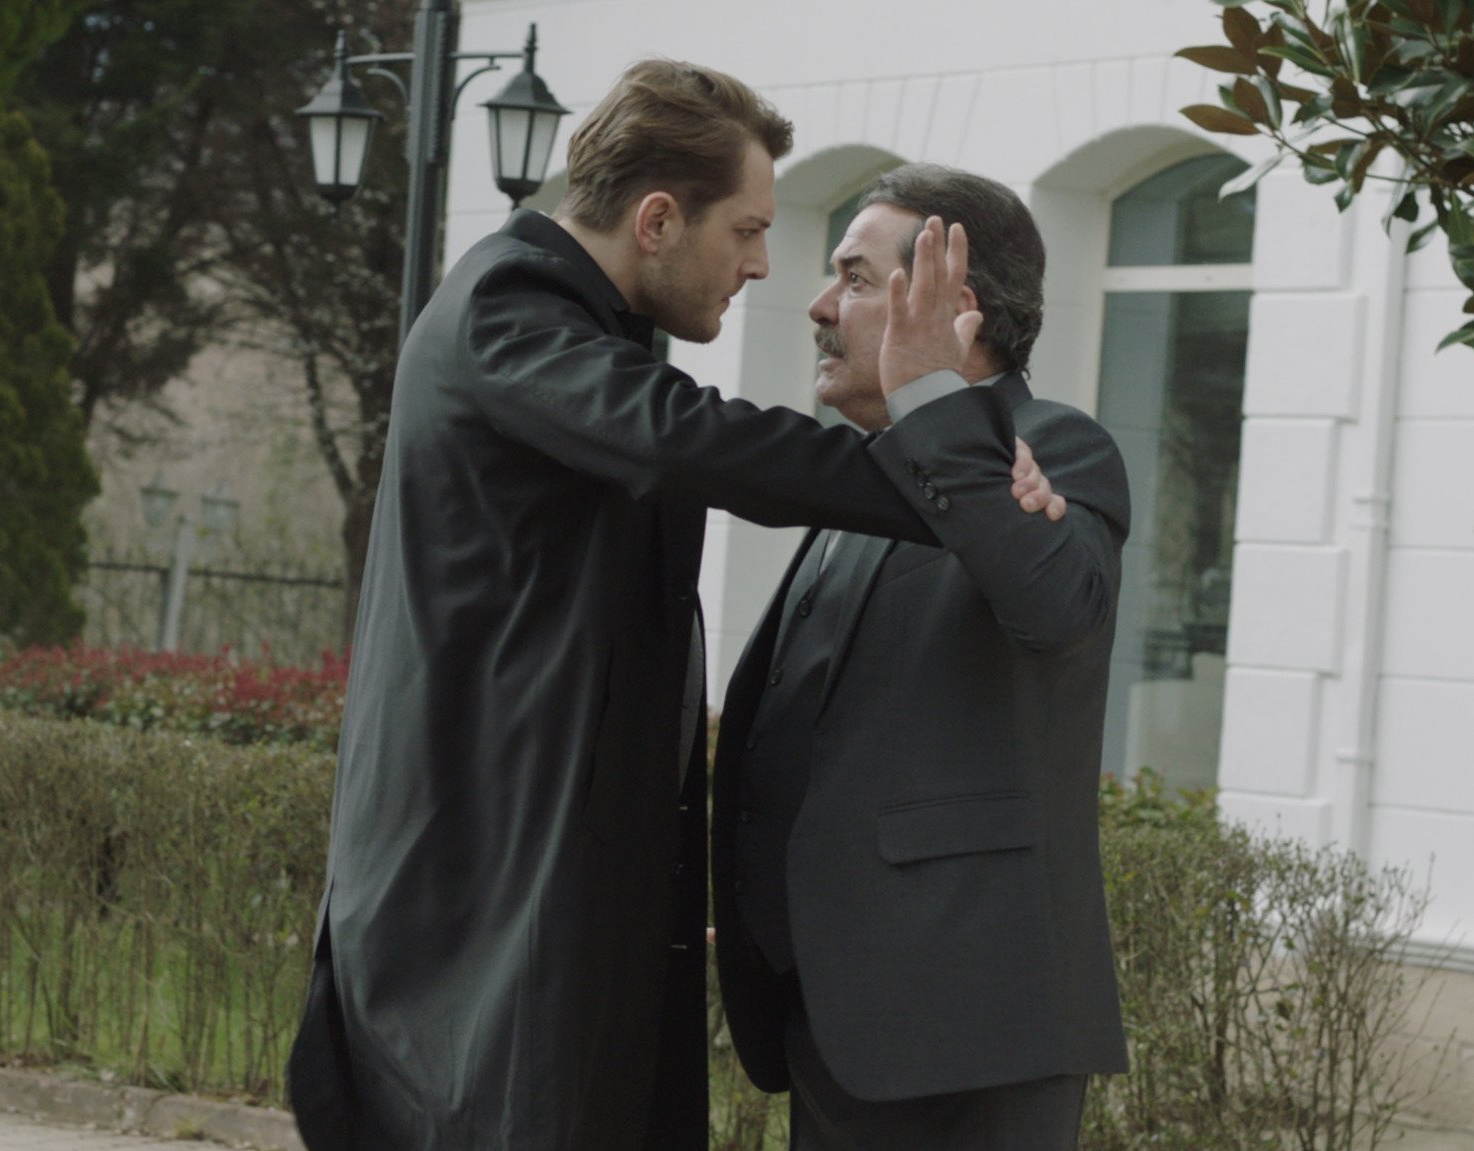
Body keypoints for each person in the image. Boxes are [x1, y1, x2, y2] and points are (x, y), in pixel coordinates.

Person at [286, 66, 1061, 1151]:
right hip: (479, 913)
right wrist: (956, 474)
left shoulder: (585, 326)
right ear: (656, 221)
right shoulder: (506, 308)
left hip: (559, 900)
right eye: (748, 229)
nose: (761, 265)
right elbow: (688, 438)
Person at [710, 163, 1133, 1150]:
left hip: (969, 1029)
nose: (819, 305)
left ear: (954, 309)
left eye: (854, 278)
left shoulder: (1058, 448)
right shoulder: (867, 472)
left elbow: (1056, 608)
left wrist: (935, 401)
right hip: (838, 1017)